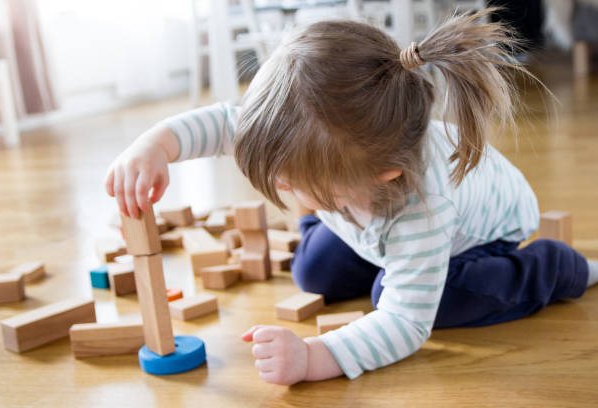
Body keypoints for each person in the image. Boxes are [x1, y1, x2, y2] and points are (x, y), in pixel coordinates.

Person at [105, 9, 598, 385]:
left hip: (474, 240)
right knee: (312, 271)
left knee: (405, 297)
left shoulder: (422, 210)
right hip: (367, 217)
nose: (280, 187)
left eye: (294, 184)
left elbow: (405, 325)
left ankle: (554, 269)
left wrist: (313, 357)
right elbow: (226, 124)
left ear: (382, 175)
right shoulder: (313, 142)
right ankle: (353, 233)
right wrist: (156, 145)